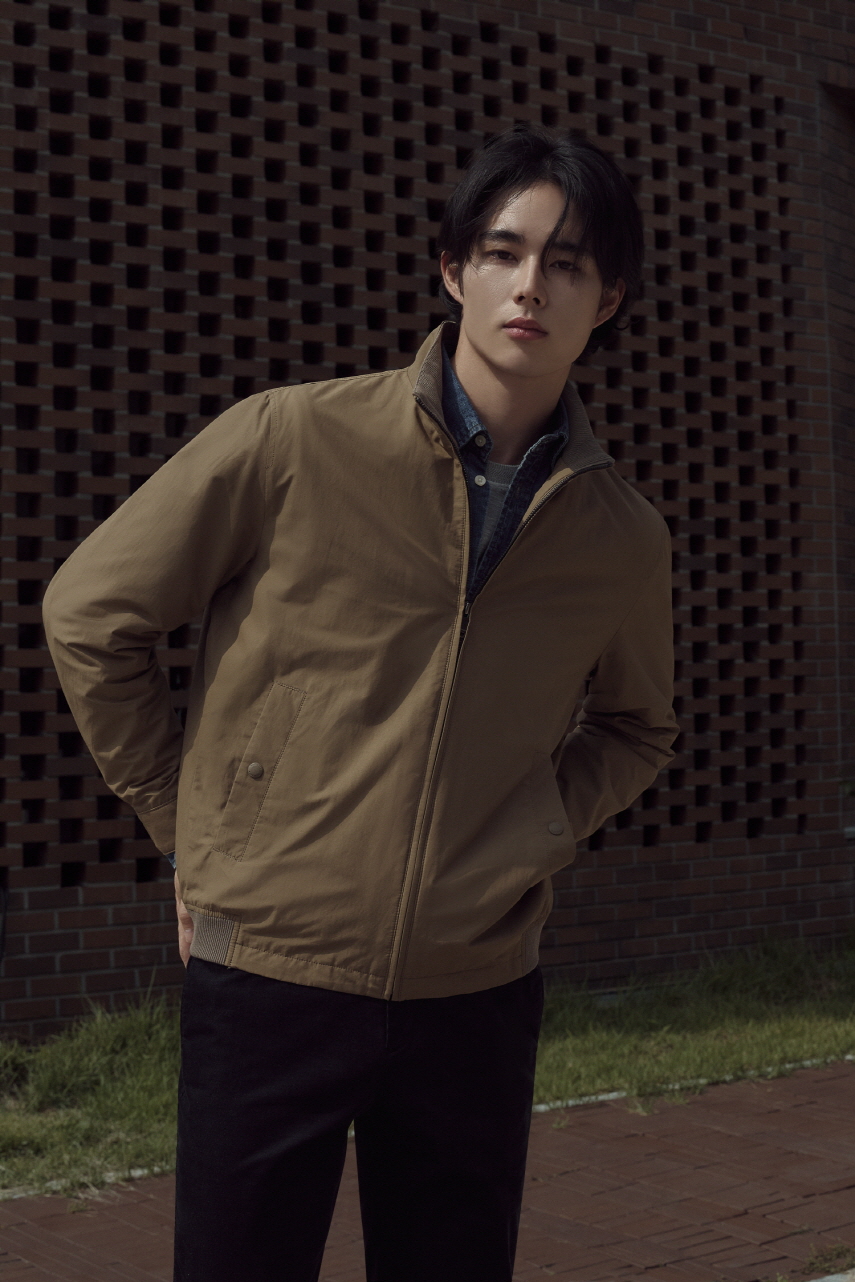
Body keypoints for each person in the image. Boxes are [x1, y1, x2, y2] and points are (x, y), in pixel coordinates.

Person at [43, 124, 679, 1282]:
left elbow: (638, 728)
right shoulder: (295, 437)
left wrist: (531, 828)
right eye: (504, 251)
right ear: (454, 269)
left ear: (609, 299)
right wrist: (191, 832)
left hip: (476, 990)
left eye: (568, 263)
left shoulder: (621, 537)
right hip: (270, 968)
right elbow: (91, 613)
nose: (531, 285)